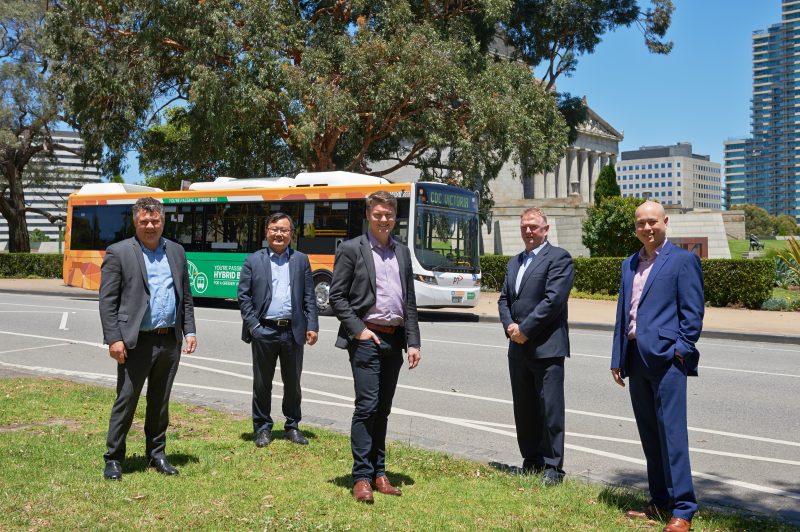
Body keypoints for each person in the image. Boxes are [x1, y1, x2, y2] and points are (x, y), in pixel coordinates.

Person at [610, 200, 704, 532]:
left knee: (672, 436)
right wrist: (617, 357)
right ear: (635, 228)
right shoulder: (629, 263)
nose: (647, 228)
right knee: (650, 435)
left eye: (652, 221)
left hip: (667, 360)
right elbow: (625, 313)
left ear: (665, 222)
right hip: (636, 358)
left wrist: (681, 349)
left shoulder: (683, 261)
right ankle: (660, 501)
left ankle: (683, 508)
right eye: (640, 223)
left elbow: (692, 314)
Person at [329, 190, 421, 504]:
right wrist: (360, 331)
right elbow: (337, 297)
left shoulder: (403, 252)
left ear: (396, 217)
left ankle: (379, 473)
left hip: (394, 340)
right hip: (367, 338)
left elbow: (408, 300)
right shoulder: (353, 248)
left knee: (382, 410)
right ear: (369, 215)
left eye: (389, 215)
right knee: (366, 407)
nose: (384, 219)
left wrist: (413, 342)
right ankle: (361, 477)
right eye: (378, 214)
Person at [99, 197, 197, 480]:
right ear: (135, 222)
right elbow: (108, 302)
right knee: (126, 400)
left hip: (169, 340)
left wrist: (189, 330)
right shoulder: (119, 252)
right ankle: (114, 459)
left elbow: (185, 296)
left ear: (163, 221)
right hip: (135, 342)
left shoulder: (176, 251)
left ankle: (156, 454)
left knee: (160, 401)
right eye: (145, 221)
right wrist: (113, 339)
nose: (150, 225)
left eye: (155, 220)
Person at [497, 207, 575, 486]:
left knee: (550, 409)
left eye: (533, 226)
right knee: (524, 408)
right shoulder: (514, 262)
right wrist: (510, 327)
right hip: (517, 348)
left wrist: (525, 329)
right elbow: (504, 299)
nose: (528, 231)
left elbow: (553, 301)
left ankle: (553, 467)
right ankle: (531, 461)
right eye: (524, 227)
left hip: (546, 347)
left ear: (546, 229)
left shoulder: (559, 258)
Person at [238, 212, 319, 447]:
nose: (279, 234)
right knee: (262, 383)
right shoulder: (253, 260)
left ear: (291, 234)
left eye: (284, 230)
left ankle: (292, 426)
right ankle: (262, 428)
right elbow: (244, 297)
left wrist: (312, 325)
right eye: (274, 229)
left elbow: (309, 297)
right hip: (264, 330)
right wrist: (254, 326)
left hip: (293, 331)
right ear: (267, 232)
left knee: (293, 382)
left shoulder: (301, 260)